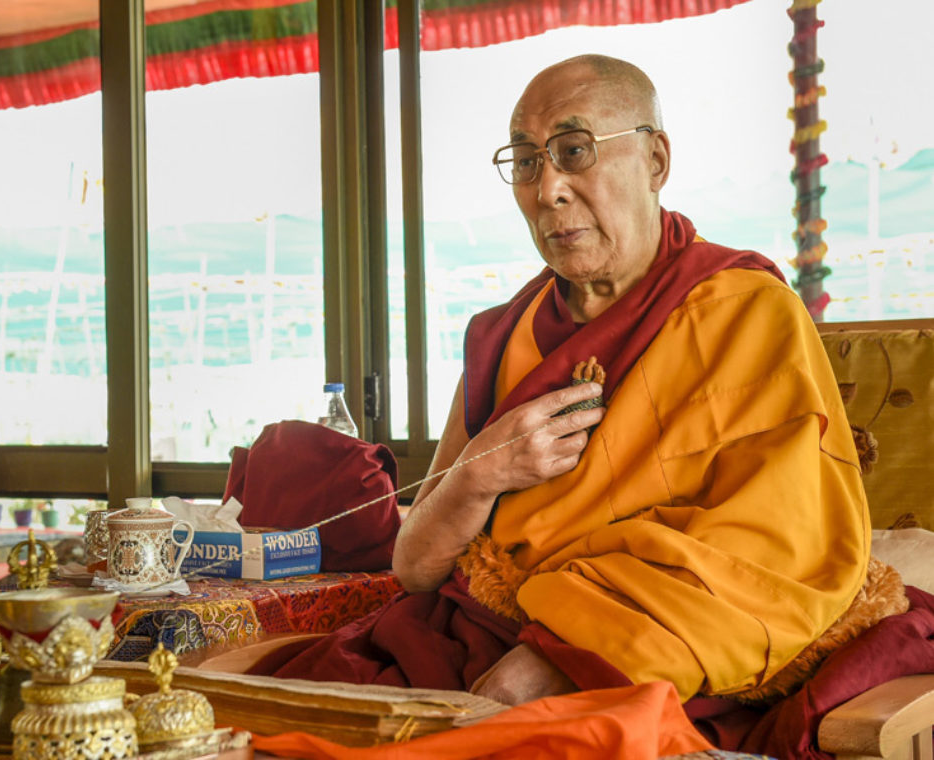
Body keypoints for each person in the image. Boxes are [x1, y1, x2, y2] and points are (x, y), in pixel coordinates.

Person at [252, 54, 931, 754]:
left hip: (637, 658)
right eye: (524, 162)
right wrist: (482, 473)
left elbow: (781, 556)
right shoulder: (503, 334)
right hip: (464, 640)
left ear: (655, 159)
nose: (549, 190)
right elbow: (414, 567)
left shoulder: (747, 315)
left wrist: (561, 655)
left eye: (574, 152)